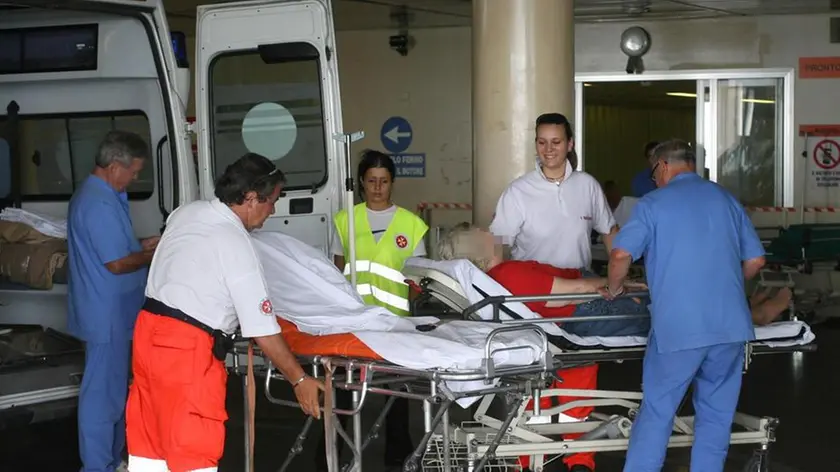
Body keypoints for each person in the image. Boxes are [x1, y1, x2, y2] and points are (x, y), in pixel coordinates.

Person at [125, 153, 323, 472]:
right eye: (271, 200)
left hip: (148, 336)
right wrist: (299, 379)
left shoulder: (187, 213)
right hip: (186, 351)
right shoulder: (236, 243)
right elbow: (263, 331)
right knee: (192, 447)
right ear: (249, 198)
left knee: (151, 443)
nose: (273, 210)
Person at [603, 139, 767, 472]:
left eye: (654, 173)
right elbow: (756, 260)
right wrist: (723, 283)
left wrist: (614, 287)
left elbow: (620, 255)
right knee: (716, 418)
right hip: (729, 327)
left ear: (662, 165)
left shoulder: (653, 204)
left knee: (658, 414)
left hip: (679, 329)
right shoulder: (726, 199)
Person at [320, 150, 428, 471]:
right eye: (371, 181)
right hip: (353, 321)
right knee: (341, 396)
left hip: (394, 324)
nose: (378, 188)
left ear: (392, 183)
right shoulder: (345, 221)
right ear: (362, 184)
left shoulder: (411, 225)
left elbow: (417, 276)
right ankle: (331, 459)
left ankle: (398, 460)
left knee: (395, 399)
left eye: (383, 181)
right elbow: (337, 272)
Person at [67, 130, 160, 472]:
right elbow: (117, 263)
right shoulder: (97, 202)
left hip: (114, 314)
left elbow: (115, 249)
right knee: (101, 399)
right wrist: (156, 254)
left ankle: (111, 460)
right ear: (114, 165)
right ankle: (96, 466)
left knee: (113, 395)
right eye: (134, 171)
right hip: (105, 316)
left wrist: (141, 245)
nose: (135, 178)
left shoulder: (104, 197)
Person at [490, 113, 618, 271]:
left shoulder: (587, 185)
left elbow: (609, 231)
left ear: (570, 144)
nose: (548, 149)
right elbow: (497, 242)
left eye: (556, 142)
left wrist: (619, 275)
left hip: (580, 284)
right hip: (535, 288)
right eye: (542, 142)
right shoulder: (517, 191)